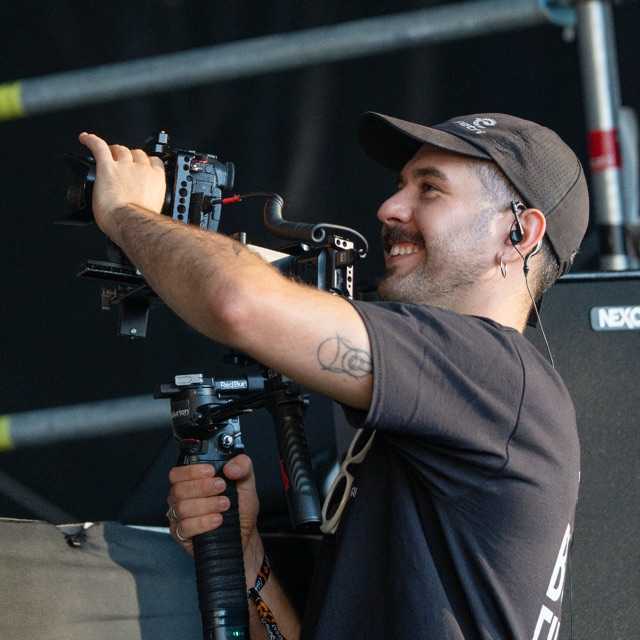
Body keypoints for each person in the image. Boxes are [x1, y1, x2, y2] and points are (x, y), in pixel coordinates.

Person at [79, 110, 589, 640]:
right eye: (400, 186)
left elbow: (238, 303)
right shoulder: (457, 401)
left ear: (519, 232)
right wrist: (247, 558)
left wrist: (125, 211)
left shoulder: (493, 371)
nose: (389, 208)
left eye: (430, 189)